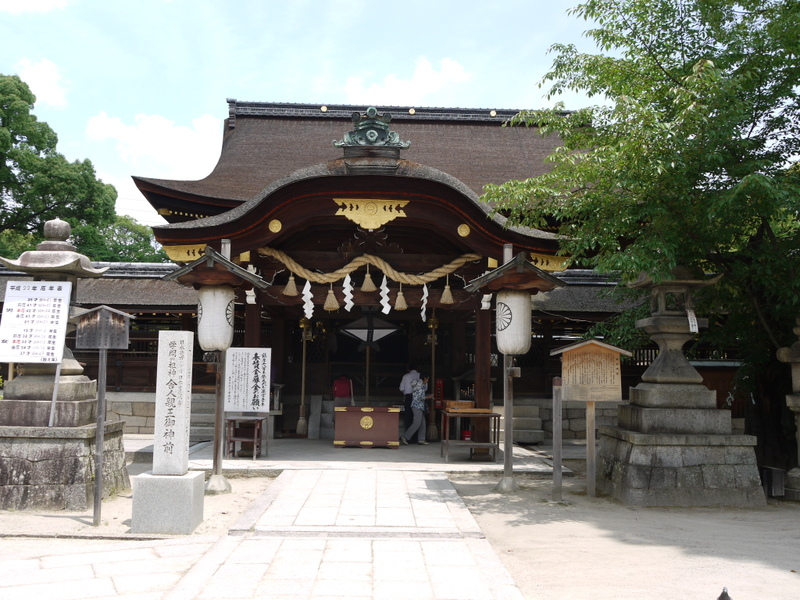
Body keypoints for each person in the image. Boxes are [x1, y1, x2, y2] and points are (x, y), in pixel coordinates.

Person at [401, 375, 431, 445]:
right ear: (425, 378)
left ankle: (421, 439)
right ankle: (405, 436)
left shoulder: (420, 384)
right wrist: (428, 397)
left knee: (423, 423)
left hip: (419, 406)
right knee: (416, 423)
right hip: (417, 406)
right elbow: (420, 397)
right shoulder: (419, 385)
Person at [398, 364, 420, 435]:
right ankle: (416, 437)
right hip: (418, 398)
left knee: (408, 416)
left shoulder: (406, 376)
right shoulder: (420, 375)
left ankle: (408, 436)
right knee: (417, 417)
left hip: (408, 397)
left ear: (408, 370)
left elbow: (401, 388)